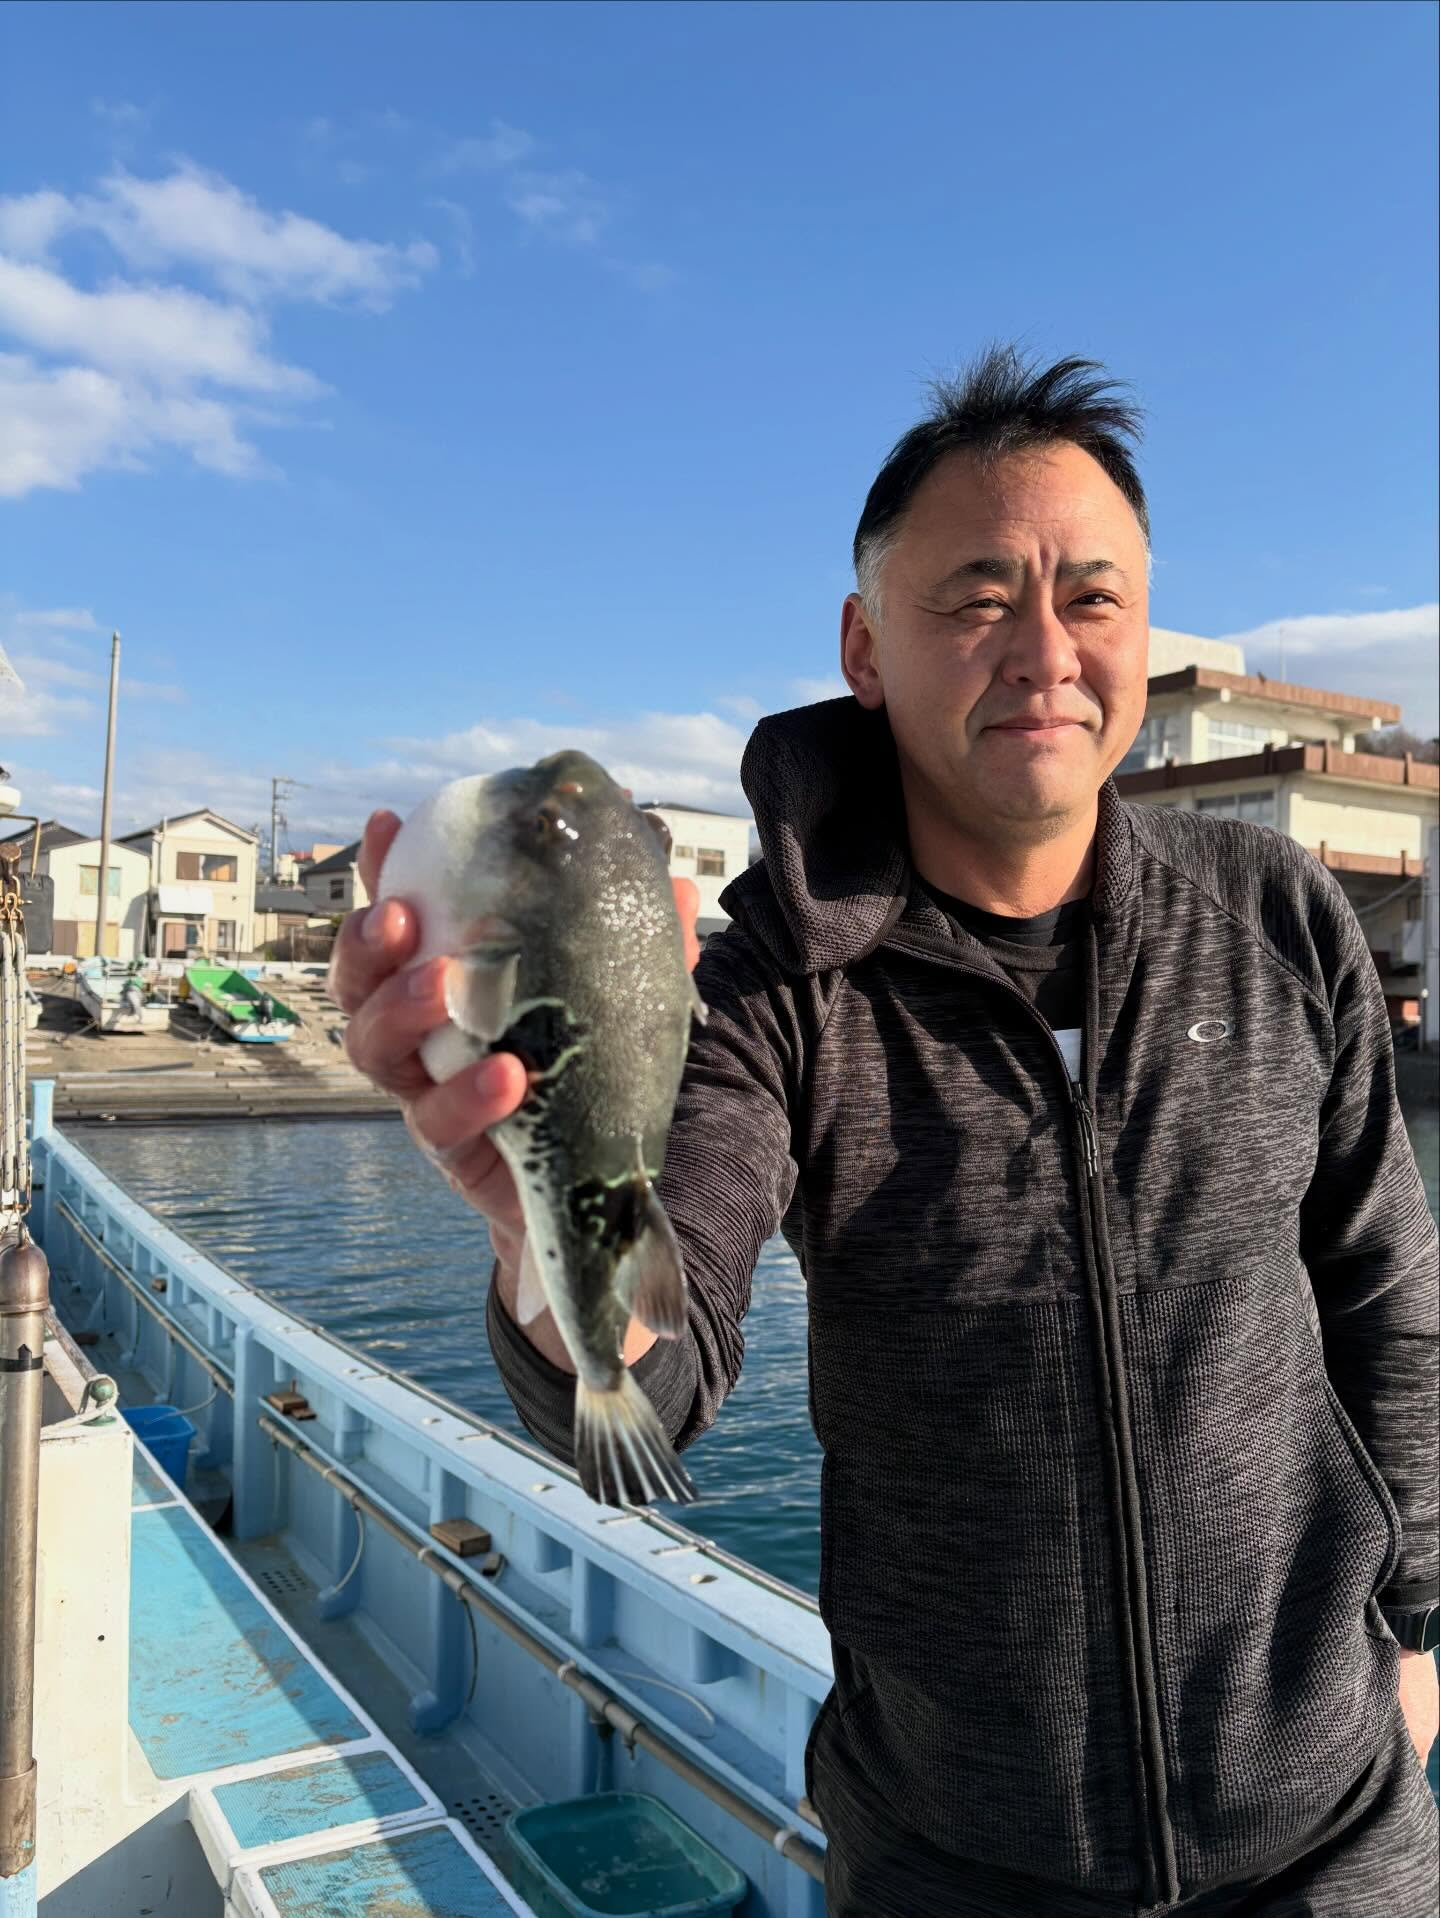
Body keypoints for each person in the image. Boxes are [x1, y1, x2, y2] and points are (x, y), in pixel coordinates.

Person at [333, 348, 1438, 1915]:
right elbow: (671, 1356)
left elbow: (1388, 1289)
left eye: (1095, 598)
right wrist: (543, 1220)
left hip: (1335, 1835)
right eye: (978, 597)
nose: (1045, 650)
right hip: (948, 1860)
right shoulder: (778, 983)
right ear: (864, 646)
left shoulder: (1277, 913)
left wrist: (1418, 1627)